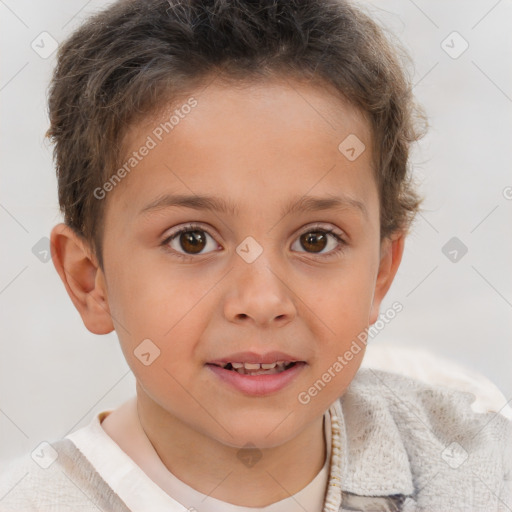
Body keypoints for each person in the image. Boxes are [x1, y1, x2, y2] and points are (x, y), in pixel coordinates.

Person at [0, 0, 510, 510]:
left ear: (380, 273)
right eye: (192, 240)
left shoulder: (479, 467)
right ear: (91, 280)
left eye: (316, 240)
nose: (262, 301)